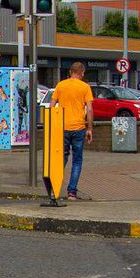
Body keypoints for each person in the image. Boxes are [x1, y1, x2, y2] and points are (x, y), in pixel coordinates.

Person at [51, 61, 95, 200]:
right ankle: (71, 192)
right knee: (77, 160)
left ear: (70, 72)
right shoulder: (85, 87)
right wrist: (89, 128)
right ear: (82, 73)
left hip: (62, 128)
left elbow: (52, 106)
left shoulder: (60, 85)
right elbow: (89, 109)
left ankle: (54, 189)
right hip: (78, 128)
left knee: (61, 159)